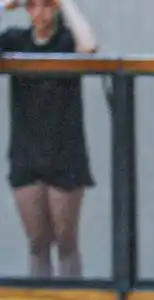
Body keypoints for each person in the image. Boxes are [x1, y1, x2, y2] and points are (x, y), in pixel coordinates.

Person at [0, 0, 97, 278]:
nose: (39, 12)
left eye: (46, 5)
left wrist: (66, 3)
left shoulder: (66, 40)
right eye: (32, 5)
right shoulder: (14, 39)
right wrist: (5, 5)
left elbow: (89, 47)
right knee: (37, 243)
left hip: (65, 152)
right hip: (25, 152)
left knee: (66, 243)